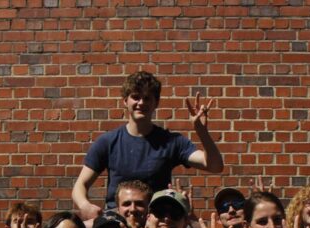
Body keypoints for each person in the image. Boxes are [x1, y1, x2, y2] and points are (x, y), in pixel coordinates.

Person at [72, 70, 224, 219]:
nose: (141, 103)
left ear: (156, 103)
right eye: (135, 97)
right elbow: (80, 185)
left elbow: (214, 166)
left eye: (147, 98)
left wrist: (202, 131)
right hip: (117, 223)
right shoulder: (108, 142)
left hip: (158, 220)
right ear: (125, 101)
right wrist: (85, 205)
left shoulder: (171, 141)